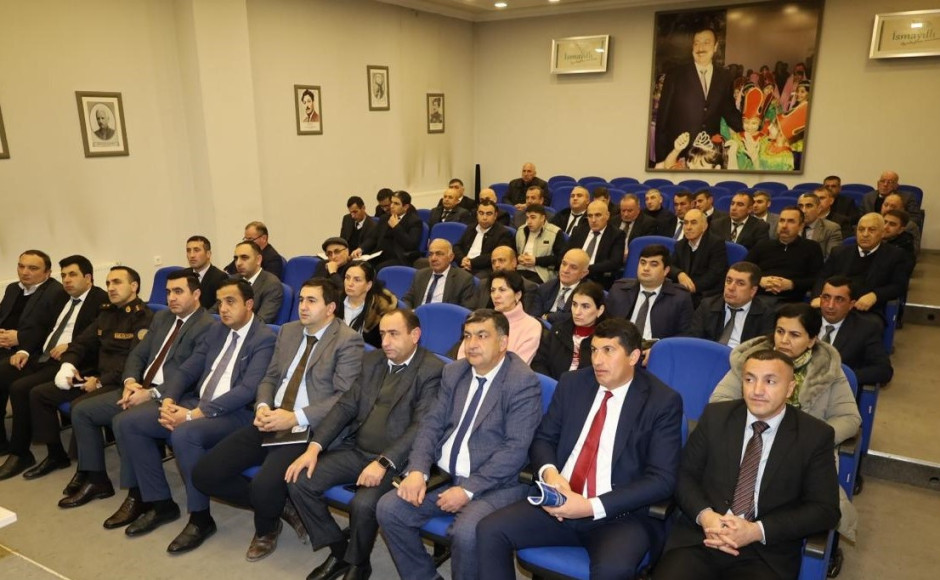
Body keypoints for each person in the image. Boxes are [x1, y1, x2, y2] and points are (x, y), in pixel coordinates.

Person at [478, 318, 684, 580]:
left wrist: (589, 506)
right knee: (490, 530)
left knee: (613, 570)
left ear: (633, 357)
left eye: (608, 351)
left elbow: (662, 480)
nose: (597, 360)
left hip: (620, 515)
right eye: (594, 350)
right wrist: (551, 474)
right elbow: (543, 438)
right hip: (561, 502)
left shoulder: (662, 401)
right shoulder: (573, 383)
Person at [192, 278, 362, 559]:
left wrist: (294, 417)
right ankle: (278, 505)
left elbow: (344, 398)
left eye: (312, 301)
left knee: (264, 485)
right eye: (301, 299)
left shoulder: (347, 340)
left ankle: (266, 528)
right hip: (271, 418)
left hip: (309, 428)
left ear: (331, 308)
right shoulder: (288, 330)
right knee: (204, 474)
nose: (303, 306)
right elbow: (270, 377)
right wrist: (262, 406)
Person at [376, 309, 542, 580]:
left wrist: (467, 490)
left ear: (503, 342)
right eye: (467, 336)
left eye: (482, 336)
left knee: (467, 533)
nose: (472, 344)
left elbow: (515, 449)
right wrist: (418, 470)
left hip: (495, 484)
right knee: (389, 509)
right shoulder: (455, 371)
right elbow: (431, 425)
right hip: (445, 476)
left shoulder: (521, 381)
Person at [113, 279, 277, 553]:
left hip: (235, 413)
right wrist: (168, 400)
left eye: (231, 302)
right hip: (199, 402)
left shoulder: (264, 338)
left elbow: (248, 390)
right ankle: (160, 503)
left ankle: (200, 519)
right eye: (220, 302)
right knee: (130, 422)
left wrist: (193, 415)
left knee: (185, 433)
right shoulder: (217, 330)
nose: (223, 309)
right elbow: (187, 370)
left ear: (249, 304)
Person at [285, 309, 444, 580]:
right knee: (299, 480)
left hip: (397, 461)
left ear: (415, 335)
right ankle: (340, 552)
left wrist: (383, 462)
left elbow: (421, 426)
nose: (386, 342)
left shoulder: (432, 370)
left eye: (394, 334)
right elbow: (345, 406)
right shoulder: (373, 360)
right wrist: (314, 447)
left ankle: (358, 564)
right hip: (357, 449)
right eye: (382, 334)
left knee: (363, 504)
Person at [655, 349, 841, 579]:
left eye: (770, 381)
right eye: (749, 380)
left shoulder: (814, 435)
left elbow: (825, 509)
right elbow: (684, 475)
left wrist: (756, 530)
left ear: (790, 388)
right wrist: (706, 516)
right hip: (703, 538)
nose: (757, 390)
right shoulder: (716, 416)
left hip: (764, 553)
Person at [58, 270, 212, 520]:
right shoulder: (162, 318)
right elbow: (138, 354)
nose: (171, 298)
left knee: (125, 421)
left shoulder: (208, 326)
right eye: (168, 292)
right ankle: (96, 479)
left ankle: (141, 495)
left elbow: (191, 375)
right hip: (140, 388)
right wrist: (130, 382)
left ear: (196, 294)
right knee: (82, 411)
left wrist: (151, 393)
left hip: (174, 396)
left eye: (178, 292)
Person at [709, 303, 861, 539]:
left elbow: (849, 418)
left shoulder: (827, 369)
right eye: (780, 331)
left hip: (802, 452)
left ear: (812, 340)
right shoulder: (754, 360)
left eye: (795, 334)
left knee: (812, 502)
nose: (784, 340)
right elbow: (719, 401)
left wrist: (810, 439)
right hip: (750, 439)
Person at [0, 266, 152, 480]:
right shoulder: (107, 313)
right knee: (40, 394)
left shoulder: (143, 317)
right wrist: (68, 366)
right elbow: (80, 343)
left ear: (134, 286)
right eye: (108, 283)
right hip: (94, 376)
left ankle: (87, 471)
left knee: (80, 408)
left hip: (119, 382)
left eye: (117, 282)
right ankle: (56, 455)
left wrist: (99, 381)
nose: (110, 287)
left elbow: (134, 361)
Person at [0, 255, 107, 458]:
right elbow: (41, 327)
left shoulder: (100, 300)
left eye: (72, 275)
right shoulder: (63, 298)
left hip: (72, 362)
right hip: (43, 356)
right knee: (3, 371)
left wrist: (70, 346)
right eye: (64, 275)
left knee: (21, 388)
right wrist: (24, 350)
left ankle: (22, 453)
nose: (67, 280)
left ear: (88, 278)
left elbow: (98, 337)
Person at [654, 26, 741, 164]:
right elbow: (662, 120)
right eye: (696, 43)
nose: (700, 48)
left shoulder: (724, 77)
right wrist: (662, 160)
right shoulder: (675, 75)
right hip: (680, 154)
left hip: (709, 155)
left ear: (715, 46)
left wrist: (754, 127)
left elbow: (729, 111)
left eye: (706, 42)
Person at [812, 213, 911, 315]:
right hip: (833, 305)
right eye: (861, 229)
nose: (865, 234)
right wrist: (818, 296)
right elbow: (822, 278)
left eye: (872, 230)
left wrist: (875, 295)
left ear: (882, 233)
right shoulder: (839, 252)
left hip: (868, 310)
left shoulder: (895, 255)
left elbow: (899, 286)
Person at [607, 244, 693, 351]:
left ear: (666, 270)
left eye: (654, 264)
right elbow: (605, 327)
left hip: (657, 352)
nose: (646, 268)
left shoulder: (680, 298)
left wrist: (659, 351)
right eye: (643, 263)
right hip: (620, 350)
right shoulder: (619, 290)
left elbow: (684, 337)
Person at [818, 276, 893, 386]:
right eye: (826, 297)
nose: (830, 305)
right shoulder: (803, 320)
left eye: (839, 299)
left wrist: (843, 378)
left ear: (851, 304)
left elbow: (883, 370)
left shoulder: (865, 329)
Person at [459, 271, 541, 365]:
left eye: (502, 290)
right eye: (493, 290)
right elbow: (462, 355)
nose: (496, 296)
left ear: (517, 295)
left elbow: (517, 366)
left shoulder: (531, 326)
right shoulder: (482, 319)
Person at [687, 262, 776, 348]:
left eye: (740, 283)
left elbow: (762, 350)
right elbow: (693, 340)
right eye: (728, 281)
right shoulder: (707, 306)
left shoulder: (766, 314)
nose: (731, 288)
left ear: (753, 291)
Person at [745, 207, 824, 303]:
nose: (784, 226)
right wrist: (759, 280)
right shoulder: (763, 245)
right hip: (759, 298)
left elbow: (817, 279)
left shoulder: (812, 248)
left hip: (792, 301)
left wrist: (792, 284)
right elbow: (744, 270)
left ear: (801, 226)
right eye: (782, 221)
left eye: (791, 221)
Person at [532, 281, 606, 379]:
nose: (577, 312)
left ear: (600, 310)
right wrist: (551, 384)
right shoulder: (558, 330)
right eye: (574, 304)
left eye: (585, 306)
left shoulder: (606, 340)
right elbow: (538, 362)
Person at [0, 250, 66, 360]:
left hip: (28, 352)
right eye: (21, 266)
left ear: (48, 272)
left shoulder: (57, 292)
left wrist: (20, 338)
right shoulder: (12, 288)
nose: (24, 272)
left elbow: (55, 329)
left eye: (33, 268)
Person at [213, 241, 283, 323]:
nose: (238, 263)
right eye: (236, 258)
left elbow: (260, 321)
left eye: (244, 258)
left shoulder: (271, 284)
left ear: (258, 260)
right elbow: (214, 310)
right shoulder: (232, 280)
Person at [669, 209, 727, 307]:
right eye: (685, 223)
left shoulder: (716, 244)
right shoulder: (680, 245)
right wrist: (680, 274)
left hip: (705, 293)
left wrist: (690, 287)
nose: (688, 227)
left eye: (693, 223)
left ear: (704, 226)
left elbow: (714, 274)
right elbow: (670, 265)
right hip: (684, 292)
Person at [353, 190, 424, 271]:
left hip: (399, 257)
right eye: (392, 202)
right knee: (360, 266)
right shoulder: (384, 218)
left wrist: (396, 227)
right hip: (381, 254)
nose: (392, 206)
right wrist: (361, 248)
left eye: (396, 204)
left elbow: (411, 245)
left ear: (406, 207)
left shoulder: (414, 221)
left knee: (377, 269)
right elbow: (373, 237)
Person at [565, 200, 627, 290]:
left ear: (607, 216)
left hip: (597, 279)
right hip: (572, 275)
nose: (593, 220)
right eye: (590, 216)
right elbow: (566, 253)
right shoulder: (578, 231)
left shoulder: (616, 234)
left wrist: (585, 269)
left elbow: (615, 262)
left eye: (598, 215)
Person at [401, 239, 475, 308]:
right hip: (418, 315)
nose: (433, 258)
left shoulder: (463, 279)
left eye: (439, 254)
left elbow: (465, 310)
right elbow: (407, 299)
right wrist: (409, 313)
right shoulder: (420, 274)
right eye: (430, 254)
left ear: (451, 257)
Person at [452, 199, 514, 277]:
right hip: (464, 265)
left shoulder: (503, 233)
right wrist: (462, 259)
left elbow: (495, 256)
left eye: (489, 214)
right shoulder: (471, 227)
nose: (484, 217)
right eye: (481, 213)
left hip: (484, 269)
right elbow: (457, 246)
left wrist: (472, 262)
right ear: (477, 214)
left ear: (495, 216)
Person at [342, 261, 397, 348]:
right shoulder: (334, 303)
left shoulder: (380, 311)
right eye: (347, 278)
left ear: (368, 285)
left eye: (357, 280)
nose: (350, 283)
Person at [532, 249, 591, 323]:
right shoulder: (545, 288)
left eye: (573, 267)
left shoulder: (589, 293)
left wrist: (548, 317)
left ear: (584, 273)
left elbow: (574, 318)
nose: (565, 270)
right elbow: (534, 316)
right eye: (564, 264)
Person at [516, 203, 565, 283]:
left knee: (523, 285)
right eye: (527, 218)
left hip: (541, 274)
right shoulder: (521, 230)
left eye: (533, 217)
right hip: (520, 269)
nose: (529, 221)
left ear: (542, 218)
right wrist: (518, 257)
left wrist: (536, 261)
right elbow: (513, 252)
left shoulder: (555, 232)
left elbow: (560, 259)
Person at [186, 235, 228, 310]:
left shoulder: (220, 277)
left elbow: (218, 306)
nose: (191, 255)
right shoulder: (183, 276)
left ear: (208, 254)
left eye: (196, 250)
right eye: (188, 251)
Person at [798, 191, 843, 258]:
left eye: (809, 206)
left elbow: (832, 258)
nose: (803, 211)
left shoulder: (831, 228)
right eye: (800, 206)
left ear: (819, 209)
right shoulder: (790, 227)